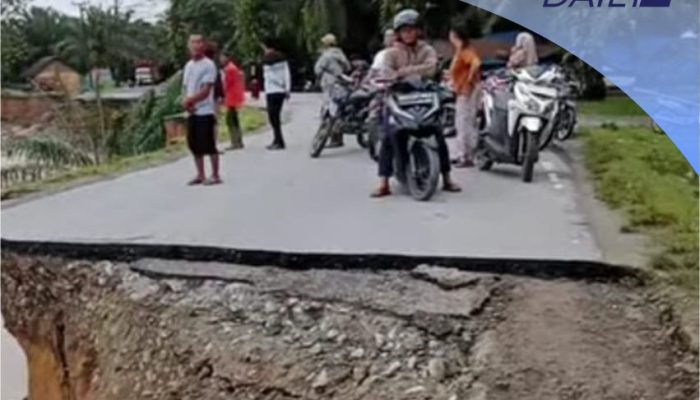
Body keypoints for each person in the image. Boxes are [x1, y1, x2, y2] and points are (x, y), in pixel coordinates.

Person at [371, 9, 461, 198]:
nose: (408, 34)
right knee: (390, 136)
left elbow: (431, 68)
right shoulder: (391, 53)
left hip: (424, 97)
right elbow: (387, 73)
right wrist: (410, 72)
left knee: (437, 133)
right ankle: (384, 183)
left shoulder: (427, 49)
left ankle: (447, 178)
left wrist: (402, 71)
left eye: (412, 29)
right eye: (404, 30)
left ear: (418, 31)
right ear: (398, 33)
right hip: (397, 98)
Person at [182, 34, 221, 185]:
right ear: (189, 46)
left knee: (209, 144)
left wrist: (190, 101)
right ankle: (200, 174)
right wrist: (185, 101)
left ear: (203, 45)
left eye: (199, 42)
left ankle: (215, 174)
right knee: (194, 143)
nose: (195, 45)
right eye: (192, 42)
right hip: (192, 111)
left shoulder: (209, 65)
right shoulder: (188, 66)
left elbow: (206, 90)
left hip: (205, 110)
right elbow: (185, 87)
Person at [449, 22, 482, 168]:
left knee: (464, 123)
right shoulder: (460, 51)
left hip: (466, 92)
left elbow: (476, 63)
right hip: (462, 90)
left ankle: (466, 156)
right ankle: (463, 154)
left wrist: (469, 80)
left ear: (455, 36)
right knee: (462, 122)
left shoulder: (466, 52)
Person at [314, 33, 351, 147]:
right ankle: (338, 136)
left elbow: (317, 69)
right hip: (340, 82)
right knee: (338, 108)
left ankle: (330, 136)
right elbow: (348, 67)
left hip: (328, 83)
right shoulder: (340, 54)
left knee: (328, 109)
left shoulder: (326, 56)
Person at [261, 38, 291, 150]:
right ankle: (277, 139)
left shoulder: (267, 61)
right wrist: (287, 89)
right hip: (281, 90)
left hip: (272, 91)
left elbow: (267, 75)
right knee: (275, 116)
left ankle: (279, 140)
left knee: (273, 117)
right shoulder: (282, 60)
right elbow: (287, 74)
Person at [220, 52, 246, 150]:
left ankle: (235, 142)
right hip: (234, 96)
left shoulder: (229, 69)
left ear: (227, 58)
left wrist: (222, 96)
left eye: (223, 57)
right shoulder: (232, 67)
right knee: (234, 119)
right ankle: (238, 141)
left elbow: (226, 84)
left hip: (232, 97)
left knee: (230, 120)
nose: (221, 60)